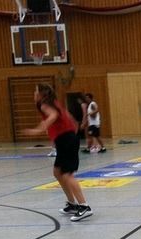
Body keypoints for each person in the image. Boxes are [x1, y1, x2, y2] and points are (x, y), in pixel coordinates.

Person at [25, 83, 92, 222]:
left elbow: (54, 115)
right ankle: (72, 204)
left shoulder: (44, 105)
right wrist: (72, 127)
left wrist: (39, 129)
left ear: (42, 94)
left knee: (67, 175)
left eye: (36, 91)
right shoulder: (54, 102)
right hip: (65, 140)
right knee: (57, 172)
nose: (34, 93)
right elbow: (68, 116)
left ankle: (84, 206)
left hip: (66, 140)